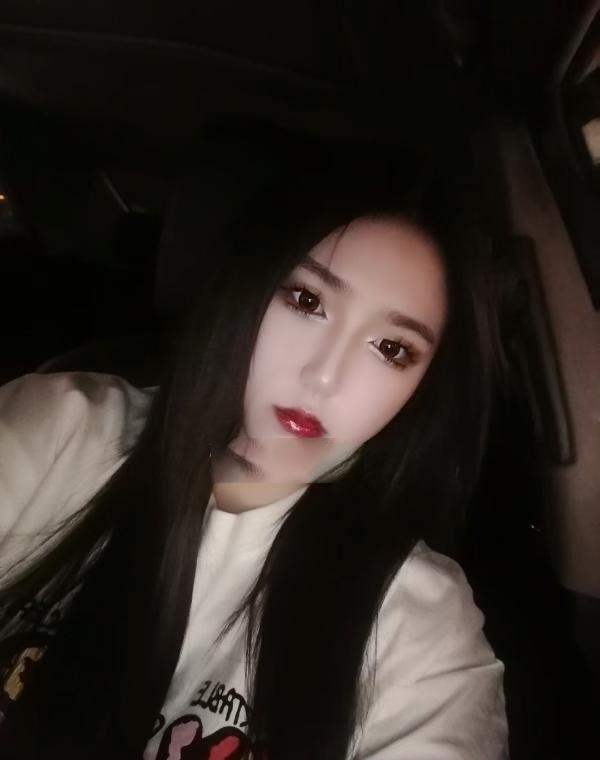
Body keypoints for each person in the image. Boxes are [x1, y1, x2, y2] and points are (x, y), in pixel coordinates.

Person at [0, 143, 510, 759]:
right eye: (307, 301)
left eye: (392, 349)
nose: (324, 376)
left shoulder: (419, 623)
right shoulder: (63, 429)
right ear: (249, 285)